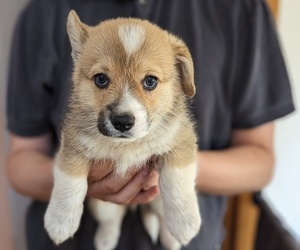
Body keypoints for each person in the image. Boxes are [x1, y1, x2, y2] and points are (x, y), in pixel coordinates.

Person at [6, 0, 295, 249]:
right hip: (68, 245)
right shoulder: (44, 13)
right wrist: (84, 185)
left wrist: (166, 176)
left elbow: (260, 161)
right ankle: (113, 224)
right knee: (102, 207)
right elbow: (20, 162)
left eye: (149, 82)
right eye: (102, 79)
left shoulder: (239, 9)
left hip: (194, 242)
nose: (124, 108)